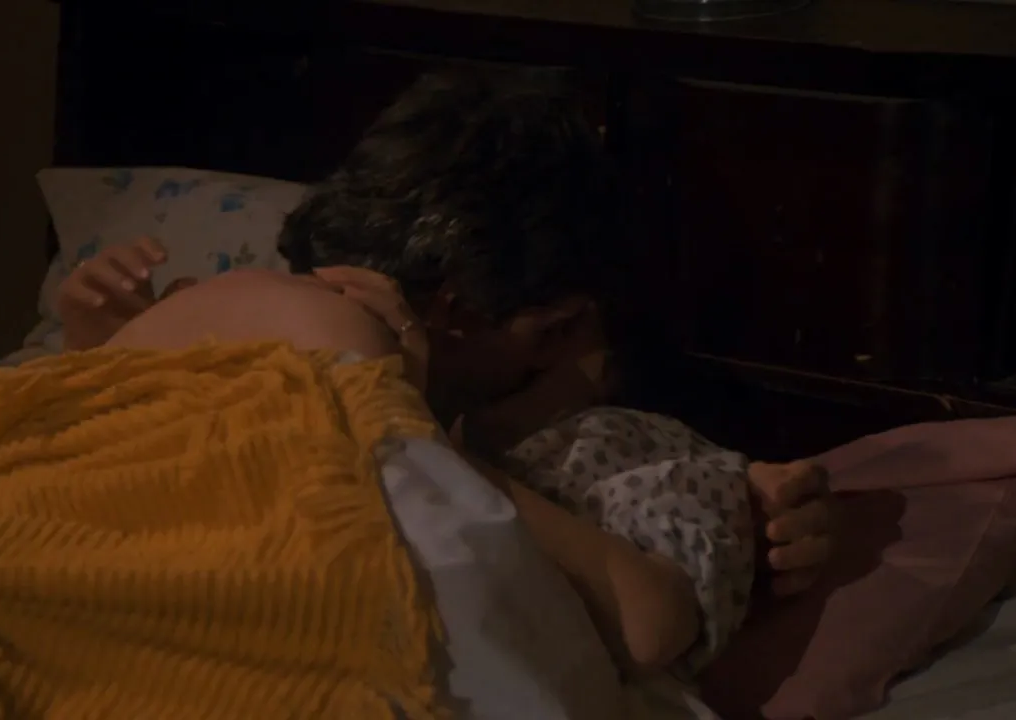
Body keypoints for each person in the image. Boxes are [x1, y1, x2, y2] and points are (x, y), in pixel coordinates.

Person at [58, 69, 833, 607]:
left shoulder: (624, 444)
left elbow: (663, 600)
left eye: (398, 321)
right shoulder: (282, 311)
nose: (347, 329)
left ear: (555, 329)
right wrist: (102, 360)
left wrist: (769, 531)